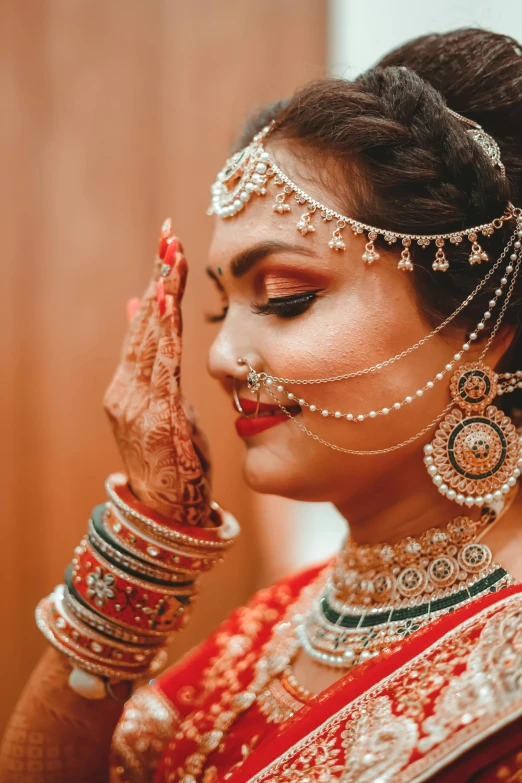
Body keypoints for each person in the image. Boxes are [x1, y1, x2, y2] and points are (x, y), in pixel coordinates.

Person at [2, 26, 522, 783]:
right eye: (219, 310)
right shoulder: (269, 629)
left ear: (485, 324)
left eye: (286, 297)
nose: (218, 357)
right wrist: (144, 544)